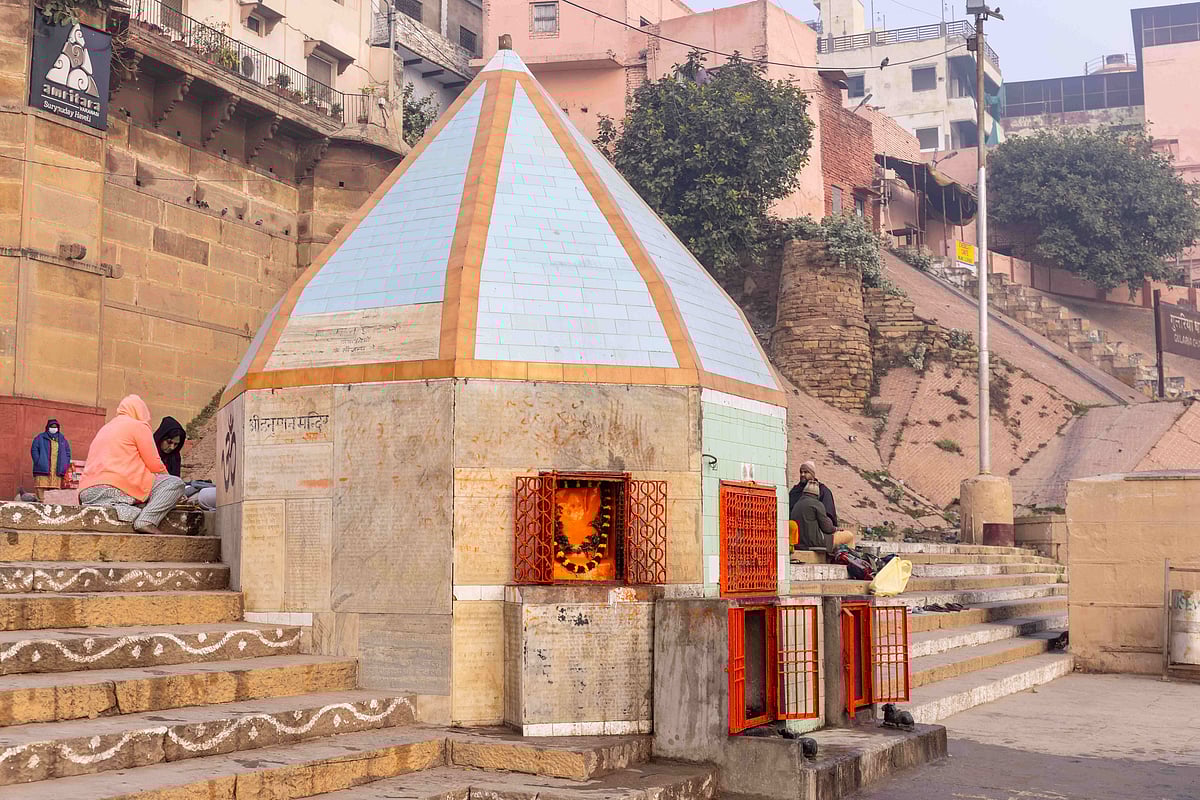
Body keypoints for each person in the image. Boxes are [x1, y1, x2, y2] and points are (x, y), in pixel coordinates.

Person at [78, 395, 186, 534]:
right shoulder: (138, 426)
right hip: (114, 489)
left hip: (87, 493)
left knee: (146, 495)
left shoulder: (106, 428)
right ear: (141, 412)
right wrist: (171, 487)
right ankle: (146, 521)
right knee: (175, 483)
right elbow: (154, 464)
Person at [790, 482, 855, 553]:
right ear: (817, 494)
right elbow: (827, 528)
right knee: (849, 535)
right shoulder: (817, 504)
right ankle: (849, 560)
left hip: (800, 543)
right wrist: (836, 529)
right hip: (815, 542)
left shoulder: (797, 504)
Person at [30, 419, 71, 502]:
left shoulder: (62, 439)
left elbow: (67, 452)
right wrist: (38, 461)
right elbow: (34, 450)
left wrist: (65, 464)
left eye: (55, 427)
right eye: (52, 426)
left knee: (54, 492)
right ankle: (40, 504)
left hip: (57, 470)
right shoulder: (40, 437)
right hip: (42, 467)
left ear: (58, 428)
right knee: (41, 487)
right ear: (47, 427)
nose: (53, 428)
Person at [788, 460, 837, 527]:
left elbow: (828, 515)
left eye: (806, 472)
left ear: (812, 474)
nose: (802, 475)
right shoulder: (795, 491)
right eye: (801, 472)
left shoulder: (823, 491)